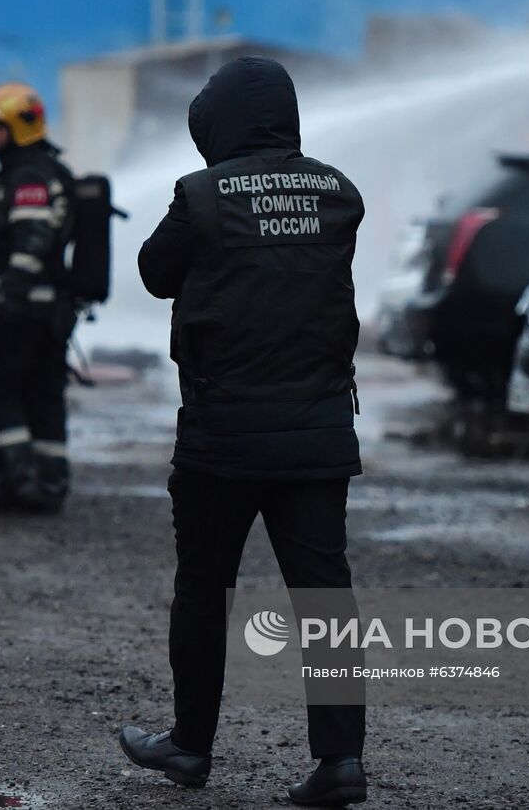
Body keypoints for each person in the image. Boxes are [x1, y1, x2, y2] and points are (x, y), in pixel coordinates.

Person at [119, 56, 368, 806]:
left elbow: (154, 271)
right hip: (320, 432)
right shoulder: (337, 192)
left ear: (219, 118)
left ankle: (190, 746)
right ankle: (341, 762)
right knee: (325, 595)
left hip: (222, 436)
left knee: (204, 588)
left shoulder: (201, 196)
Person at [0, 83, 77, 514]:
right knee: (43, 395)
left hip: (24, 309)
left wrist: (7, 290)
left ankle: (21, 482)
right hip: (50, 309)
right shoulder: (41, 171)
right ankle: (50, 482)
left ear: (18, 128)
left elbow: (32, 241)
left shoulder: (29, 176)